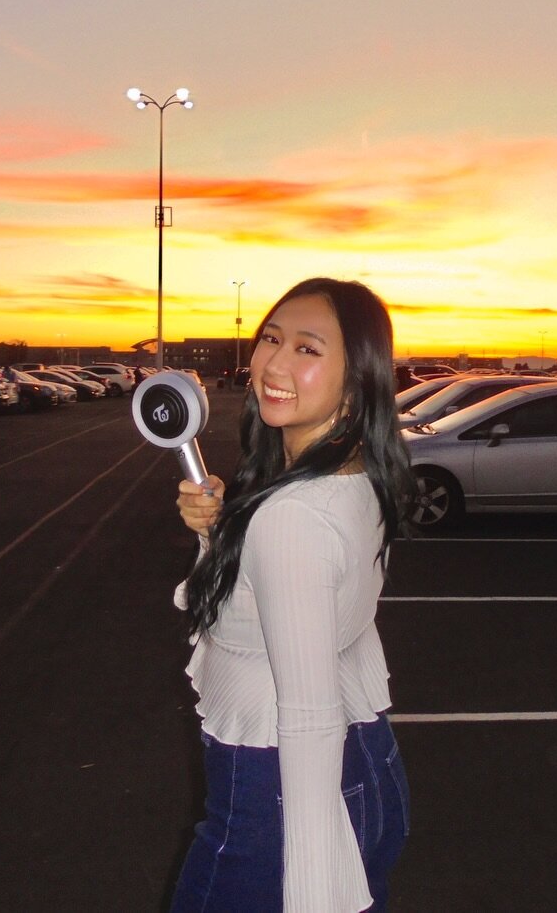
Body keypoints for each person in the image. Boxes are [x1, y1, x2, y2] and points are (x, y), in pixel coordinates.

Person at [171, 278, 414, 912]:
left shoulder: (292, 516)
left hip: (277, 793)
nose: (274, 364)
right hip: (365, 763)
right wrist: (220, 535)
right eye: (271, 339)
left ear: (356, 379)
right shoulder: (356, 473)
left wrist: (312, 894)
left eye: (308, 349)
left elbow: (307, 717)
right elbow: (327, 616)